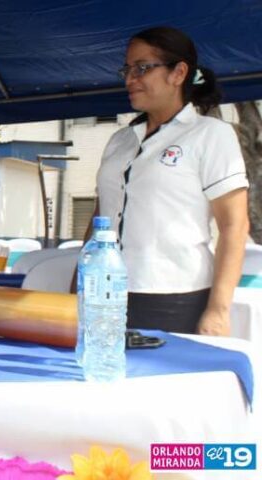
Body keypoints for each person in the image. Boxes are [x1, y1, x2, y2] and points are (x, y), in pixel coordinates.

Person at [94, 26, 249, 336]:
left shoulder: (210, 134)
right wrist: (78, 283)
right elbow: (102, 215)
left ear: (178, 73)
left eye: (142, 68)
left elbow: (235, 225)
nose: (129, 79)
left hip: (174, 297)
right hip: (102, 292)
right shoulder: (120, 141)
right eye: (127, 69)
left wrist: (218, 310)